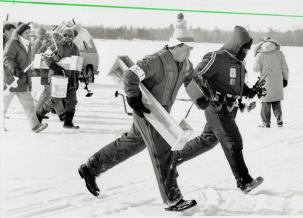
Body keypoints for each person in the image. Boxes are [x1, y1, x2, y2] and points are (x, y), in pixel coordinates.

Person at [78, 32, 210, 211]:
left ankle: (91, 167)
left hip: (162, 112)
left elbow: (192, 79)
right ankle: (172, 199)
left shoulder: (185, 63)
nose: (189, 53)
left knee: (132, 143)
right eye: (187, 49)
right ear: (177, 46)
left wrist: (200, 97)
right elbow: (130, 76)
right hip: (147, 110)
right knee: (163, 152)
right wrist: (133, 98)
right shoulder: (156, 60)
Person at [172, 26, 265, 194]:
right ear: (236, 44)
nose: (245, 51)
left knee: (208, 140)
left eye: (247, 49)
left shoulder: (239, 64)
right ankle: (244, 181)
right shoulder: (216, 57)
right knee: (232, 140)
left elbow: (238, 87)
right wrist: (202, 96)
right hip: (216, 107)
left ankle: (172, 159)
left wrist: (252, 91)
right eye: (244, 47)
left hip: (230, 109)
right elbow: (196, 75)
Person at [3, 23, 48, 133]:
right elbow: (7, 58)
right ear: (20, 33)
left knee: (29, 105)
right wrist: (14, 68)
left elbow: (27, 61)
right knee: (3, 104)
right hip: (12, 80)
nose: (29, 34)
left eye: (29, 32)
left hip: (22, 80)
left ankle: (35, 126)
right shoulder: (13, 43)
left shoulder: (26, 44)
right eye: (26, 33)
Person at [36, 27, 80, 129]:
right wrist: (53, 65)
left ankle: (68, 123)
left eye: (69, 36)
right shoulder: (57, 45)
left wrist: (76, 78)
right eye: (65, 35)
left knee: (72, 99)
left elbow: (77, 63)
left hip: (70, 76)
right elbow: (45, 55)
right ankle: (39, 115)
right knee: (56, 98)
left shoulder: (75, 48)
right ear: (62, 35)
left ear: (72, 37)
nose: (67, 37)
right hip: (57, 75)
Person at [253, 37, 289, 128]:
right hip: (277, 82)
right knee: (276, 101)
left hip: (265, 82)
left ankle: (266, 122)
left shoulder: (260, 55)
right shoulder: (279, 53)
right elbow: (285, 68)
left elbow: (255, 69)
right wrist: (285, 79)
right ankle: (279, 118)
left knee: (265, 102)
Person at [32, 29, 66, 120]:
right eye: (55, 38)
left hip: (50, 74)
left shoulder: (56, 47)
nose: (57, 40)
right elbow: (41, 57)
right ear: (51, 38)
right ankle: (37, 112)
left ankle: (61, 113)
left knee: (52, 93)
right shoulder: (46, 47)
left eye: (58, 38)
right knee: (49, 92)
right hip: (45, 74)